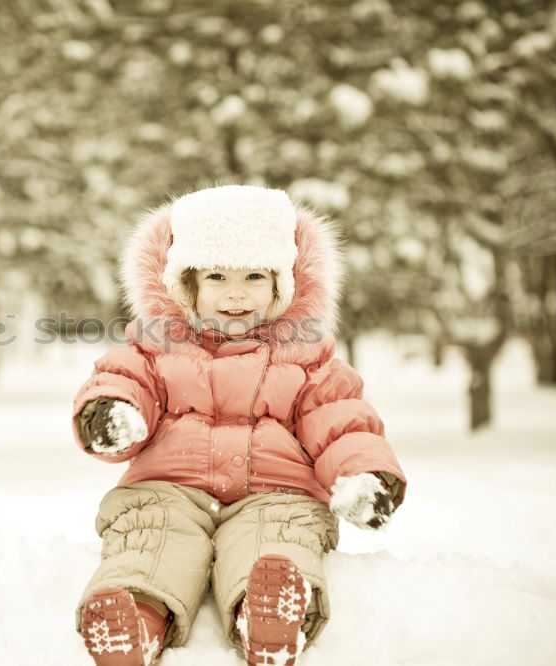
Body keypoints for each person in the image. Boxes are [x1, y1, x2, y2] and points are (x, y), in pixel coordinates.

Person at [71, 185, 407, 665]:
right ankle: (133, 619)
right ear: (187, 285)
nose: (235, 292)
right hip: (171, 486)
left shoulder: (308, 356)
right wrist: (111, 414)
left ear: (281, 285)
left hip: (275, 491)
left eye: (253, 275)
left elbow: (341, 421)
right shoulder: (154, 346)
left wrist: (364, 476)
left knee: (279, 536)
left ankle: (268, 614)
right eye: (216, 276)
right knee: (150, 533)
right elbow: (124, 381)